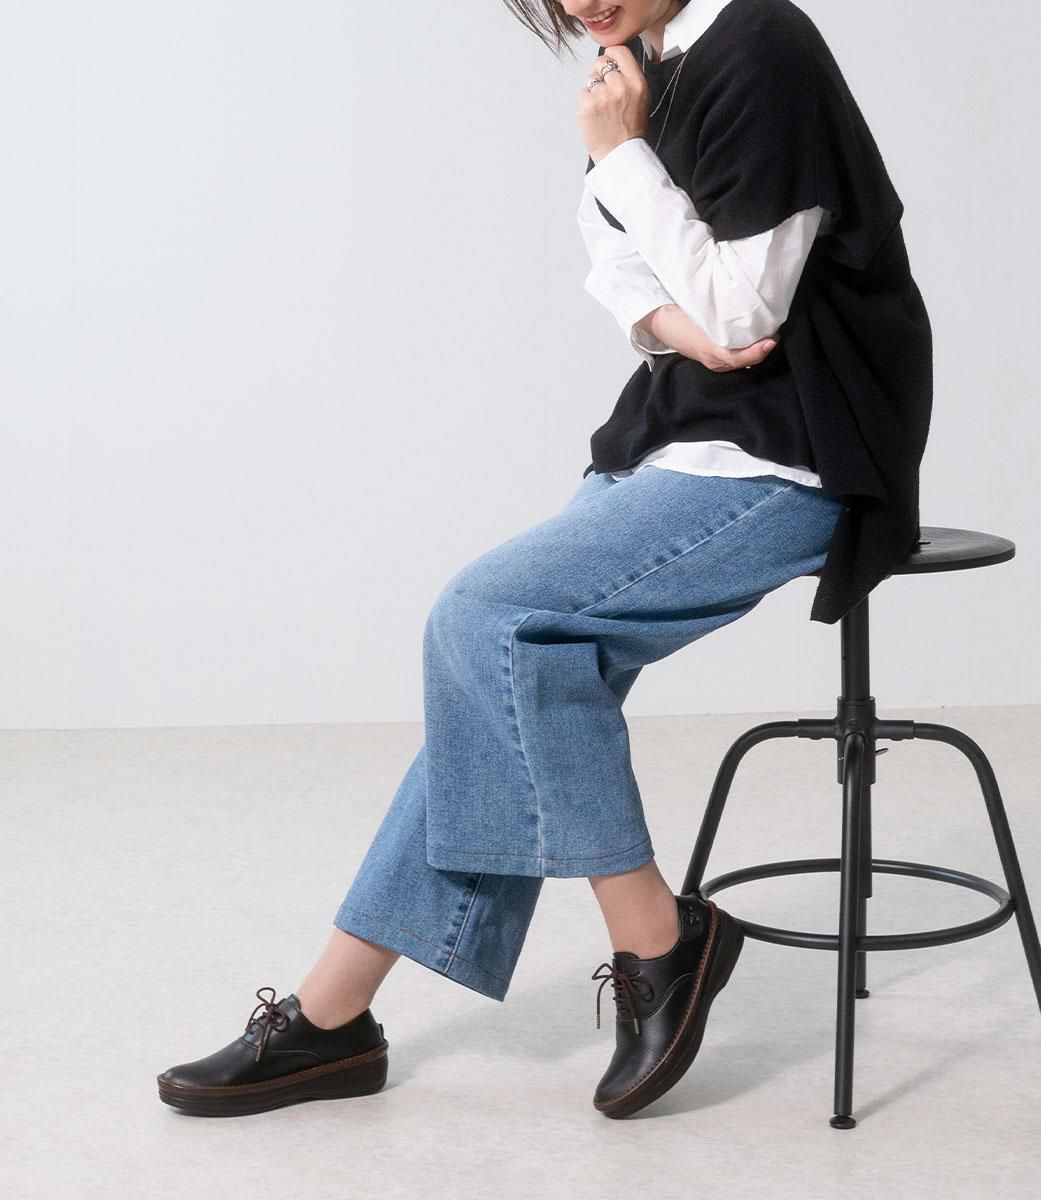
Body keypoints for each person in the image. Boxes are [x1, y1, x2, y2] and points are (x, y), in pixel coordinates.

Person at [157, 0, 932, 1121]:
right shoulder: (646, 65)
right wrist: (671, 313)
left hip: (798, 451)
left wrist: (623, 163)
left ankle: (652, 940)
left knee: (485, 620)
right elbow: (620, 269)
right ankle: (336, 1018)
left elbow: (738, 308)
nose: (575, 4)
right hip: (677, 440)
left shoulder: (765, 46)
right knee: (499, 679)